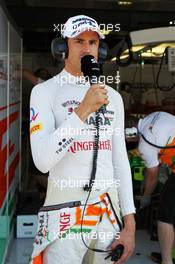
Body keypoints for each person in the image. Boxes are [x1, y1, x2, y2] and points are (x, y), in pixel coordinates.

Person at [29, 14, 135, 264]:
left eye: (93, 42)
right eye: (79, 41)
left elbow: (120, 162)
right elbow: (42, 162)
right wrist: (83, 111)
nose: (87, 49)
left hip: (108, 217)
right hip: (65, 218)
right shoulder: (44, 92)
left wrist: (129, 224)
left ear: (101, 49)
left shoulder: (113, 97)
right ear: (62, 48)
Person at [125, 111, 175, 264]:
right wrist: (144, 187)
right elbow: (150, 171)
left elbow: (153, 177)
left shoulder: (145, 142)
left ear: (130, 134)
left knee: (165, 217)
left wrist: (145, 198)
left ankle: (167, 261)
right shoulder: (154, 116)